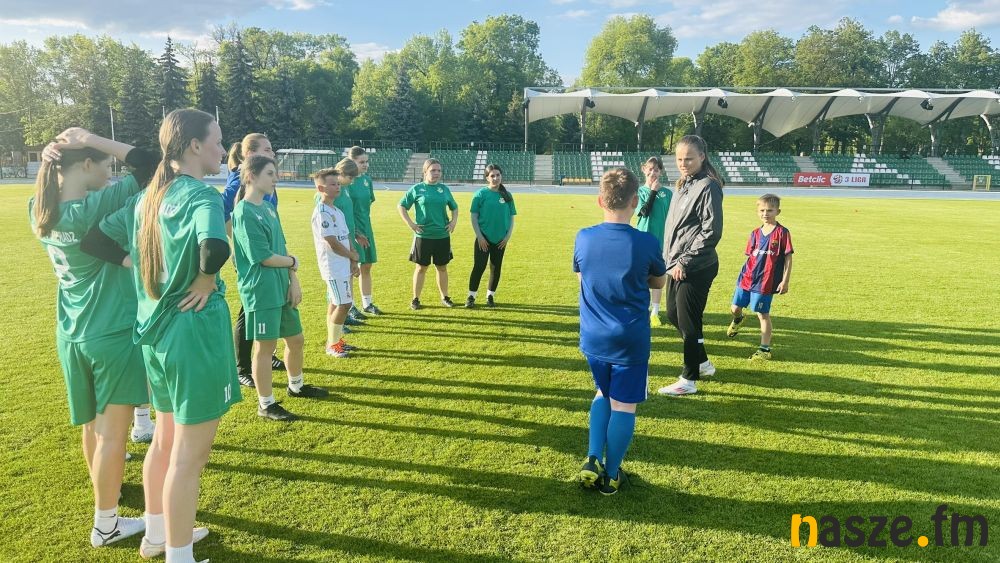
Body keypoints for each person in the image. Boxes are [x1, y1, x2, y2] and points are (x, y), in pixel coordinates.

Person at [92, 108, 239, 563]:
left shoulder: (148, 198)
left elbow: (96, 239)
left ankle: (157, 535)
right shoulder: (199, 194)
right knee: (188, 457)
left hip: (155, 335)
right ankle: (178, 555)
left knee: (165, 440)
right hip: (192, 334)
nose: (222, 150)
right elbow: (214, 246)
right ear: (194, 145)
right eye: (217, 141)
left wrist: (138, 265)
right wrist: (204, 279)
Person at [30, 127, 157, 548]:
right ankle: (106, 525)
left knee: (94, 428)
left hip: (71, 333)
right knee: (113, 434)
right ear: (86, 164)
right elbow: (148, 163)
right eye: (105, 164)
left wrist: (57, 156)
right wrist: (92, 137)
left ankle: (108, 500)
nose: (112, 171)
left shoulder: (39, 208)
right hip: (110, 332)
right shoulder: (91, 209)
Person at [574, 168, 667, 496]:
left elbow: (583, 275)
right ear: (634, 202)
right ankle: (611, 476)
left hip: (593, 337)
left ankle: (592, 458)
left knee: (602, 392)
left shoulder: (584, 237)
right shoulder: (645, 242)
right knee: (625, 405)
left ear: (600, 200)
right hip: (629, 339)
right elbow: (658, 281)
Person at [232, 155, 328, 422]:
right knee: (265, 348)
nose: (276, 179)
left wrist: (293, 279)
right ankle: (266, 404)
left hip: (281, 285)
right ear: (251, 176)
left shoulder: (268, 207)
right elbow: (263, 257)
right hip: (261, 290)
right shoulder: (243, 212)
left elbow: (282, 247)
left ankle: (296, 386)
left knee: (296, 339)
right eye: (270, 174)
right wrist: (293, 262)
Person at [658, 135, 725, 397]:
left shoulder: (708, 186)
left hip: (696, 266)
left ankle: (688, 379)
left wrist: (685, 260)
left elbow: (711, 231)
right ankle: (703, 363)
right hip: (676, 264)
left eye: (688, 159)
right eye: (679, 159)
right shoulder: (683, 185)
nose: (683, 163)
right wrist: (670, 259)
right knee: (674, 315)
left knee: (689, 322)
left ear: (702, 157)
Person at [221, 133, 285, 388]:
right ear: (249, 154)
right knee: (249, 309)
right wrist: (239, 241)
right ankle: (242, 367)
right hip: (254, 254)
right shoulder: (240, 178)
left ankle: (266, 354)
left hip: (270, 250)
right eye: (267, 149)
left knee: (267, 304)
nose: (272, 153)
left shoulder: (266, 178)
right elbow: (222, 209)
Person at [726, 194, 794, 360]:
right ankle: (738, 319)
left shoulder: (782, 233)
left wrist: (785, 280)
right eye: (762, 210)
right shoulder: (755, 233)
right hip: (747, 277)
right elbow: (750, 256)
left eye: (769, 210)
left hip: (766, 281)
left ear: (777, 211)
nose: (765, 213)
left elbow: (788, 258)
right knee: (735, 308)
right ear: (758, 212)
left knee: (762, 314)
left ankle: (764, 350)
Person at [312, 167, 361, 358]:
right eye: (333, 184)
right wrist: (352, 256)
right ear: (321, 188)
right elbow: (331, 242)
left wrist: (353, 257)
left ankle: (335, 341)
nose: (337, 187)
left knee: (336, 303)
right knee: (345, 304)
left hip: (343, 264)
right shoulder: (322, 212)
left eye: (338, 183)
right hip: (333, 266)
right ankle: (332, 345)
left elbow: (345, 236)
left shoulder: (337, 210)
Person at [398, 158, 459, 309]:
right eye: (433, 170)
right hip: (423, 236)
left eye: (439, 170)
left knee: (442, 267)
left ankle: (445, 297)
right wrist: (411, 224)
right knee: (421, 268)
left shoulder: (444, 189)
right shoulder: (417, 189)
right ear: (425, 172)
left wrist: (453, 222)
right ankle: (415, 299)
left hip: (442, 236)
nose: (436, 173)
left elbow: (454, 207)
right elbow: (401, 206)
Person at [466, 164, 516, 308]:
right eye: (492, 176)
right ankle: (471, 296)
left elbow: (511, 217)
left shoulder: (507, 195)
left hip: (501, 239)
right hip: (484, 238)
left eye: (498, 175)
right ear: (487, 178)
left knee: (496, 268)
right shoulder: (480, 194)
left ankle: (490, 296)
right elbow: (474, 217)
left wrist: (507, 237)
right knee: (479, 267)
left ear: (501, 176)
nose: (495, 178)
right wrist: (480, 236)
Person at [634, 156, 672, 326]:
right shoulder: (639, 192)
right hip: (642, 241)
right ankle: (641, 309)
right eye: (650, 169)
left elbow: (673, 219)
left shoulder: (668, 194)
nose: (653, 172)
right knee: (640, 277)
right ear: (644, 170)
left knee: (658, 277)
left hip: (661, 242)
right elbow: (644, 212)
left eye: (656, 169)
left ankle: (655, 312)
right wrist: (653, 191)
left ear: (661, 172)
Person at [346, 146, 384, 316]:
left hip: (366, 227)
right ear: (352, 162)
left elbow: (367, 204)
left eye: (367, 161)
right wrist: (354, 231)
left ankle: (367, 304)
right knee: (350, 268)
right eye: (361, 162)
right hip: (351, 229)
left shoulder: (367, 180)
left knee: (366, 265)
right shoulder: (346, 182)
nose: (365, 165)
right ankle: (350, 306)